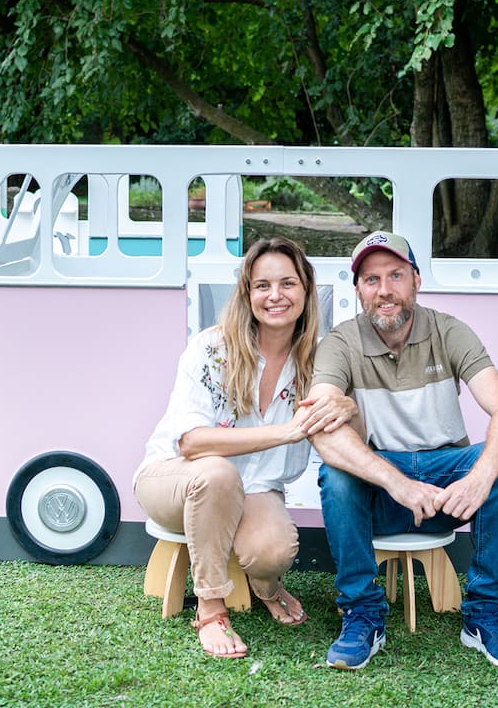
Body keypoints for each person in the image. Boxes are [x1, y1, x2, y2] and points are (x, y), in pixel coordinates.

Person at [305, 231, 498, 670]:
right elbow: (321, 428)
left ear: (416, 280)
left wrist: (478, 479)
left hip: (449, 483)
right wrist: (399, 484)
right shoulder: (339, 343)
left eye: (396, 275)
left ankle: (485, 613)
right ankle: (362, 612)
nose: (384, 290)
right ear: (358, 290)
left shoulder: (450, 331)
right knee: (336, 472)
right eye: (371, 280)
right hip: (383, 488)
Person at [135, 237, 356, 659]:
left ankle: (265, 585)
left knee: (273, 552)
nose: (275, 296)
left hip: (255, 487)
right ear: (247, 293)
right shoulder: (211, 347)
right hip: (174, 477)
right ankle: (211, 607)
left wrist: (347, 403)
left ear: (306, 291)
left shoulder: (319, 360)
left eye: (288, 283)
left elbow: (349, 425)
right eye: (262, 285)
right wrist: (286, 432)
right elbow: (193, 443)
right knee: (217, 473)